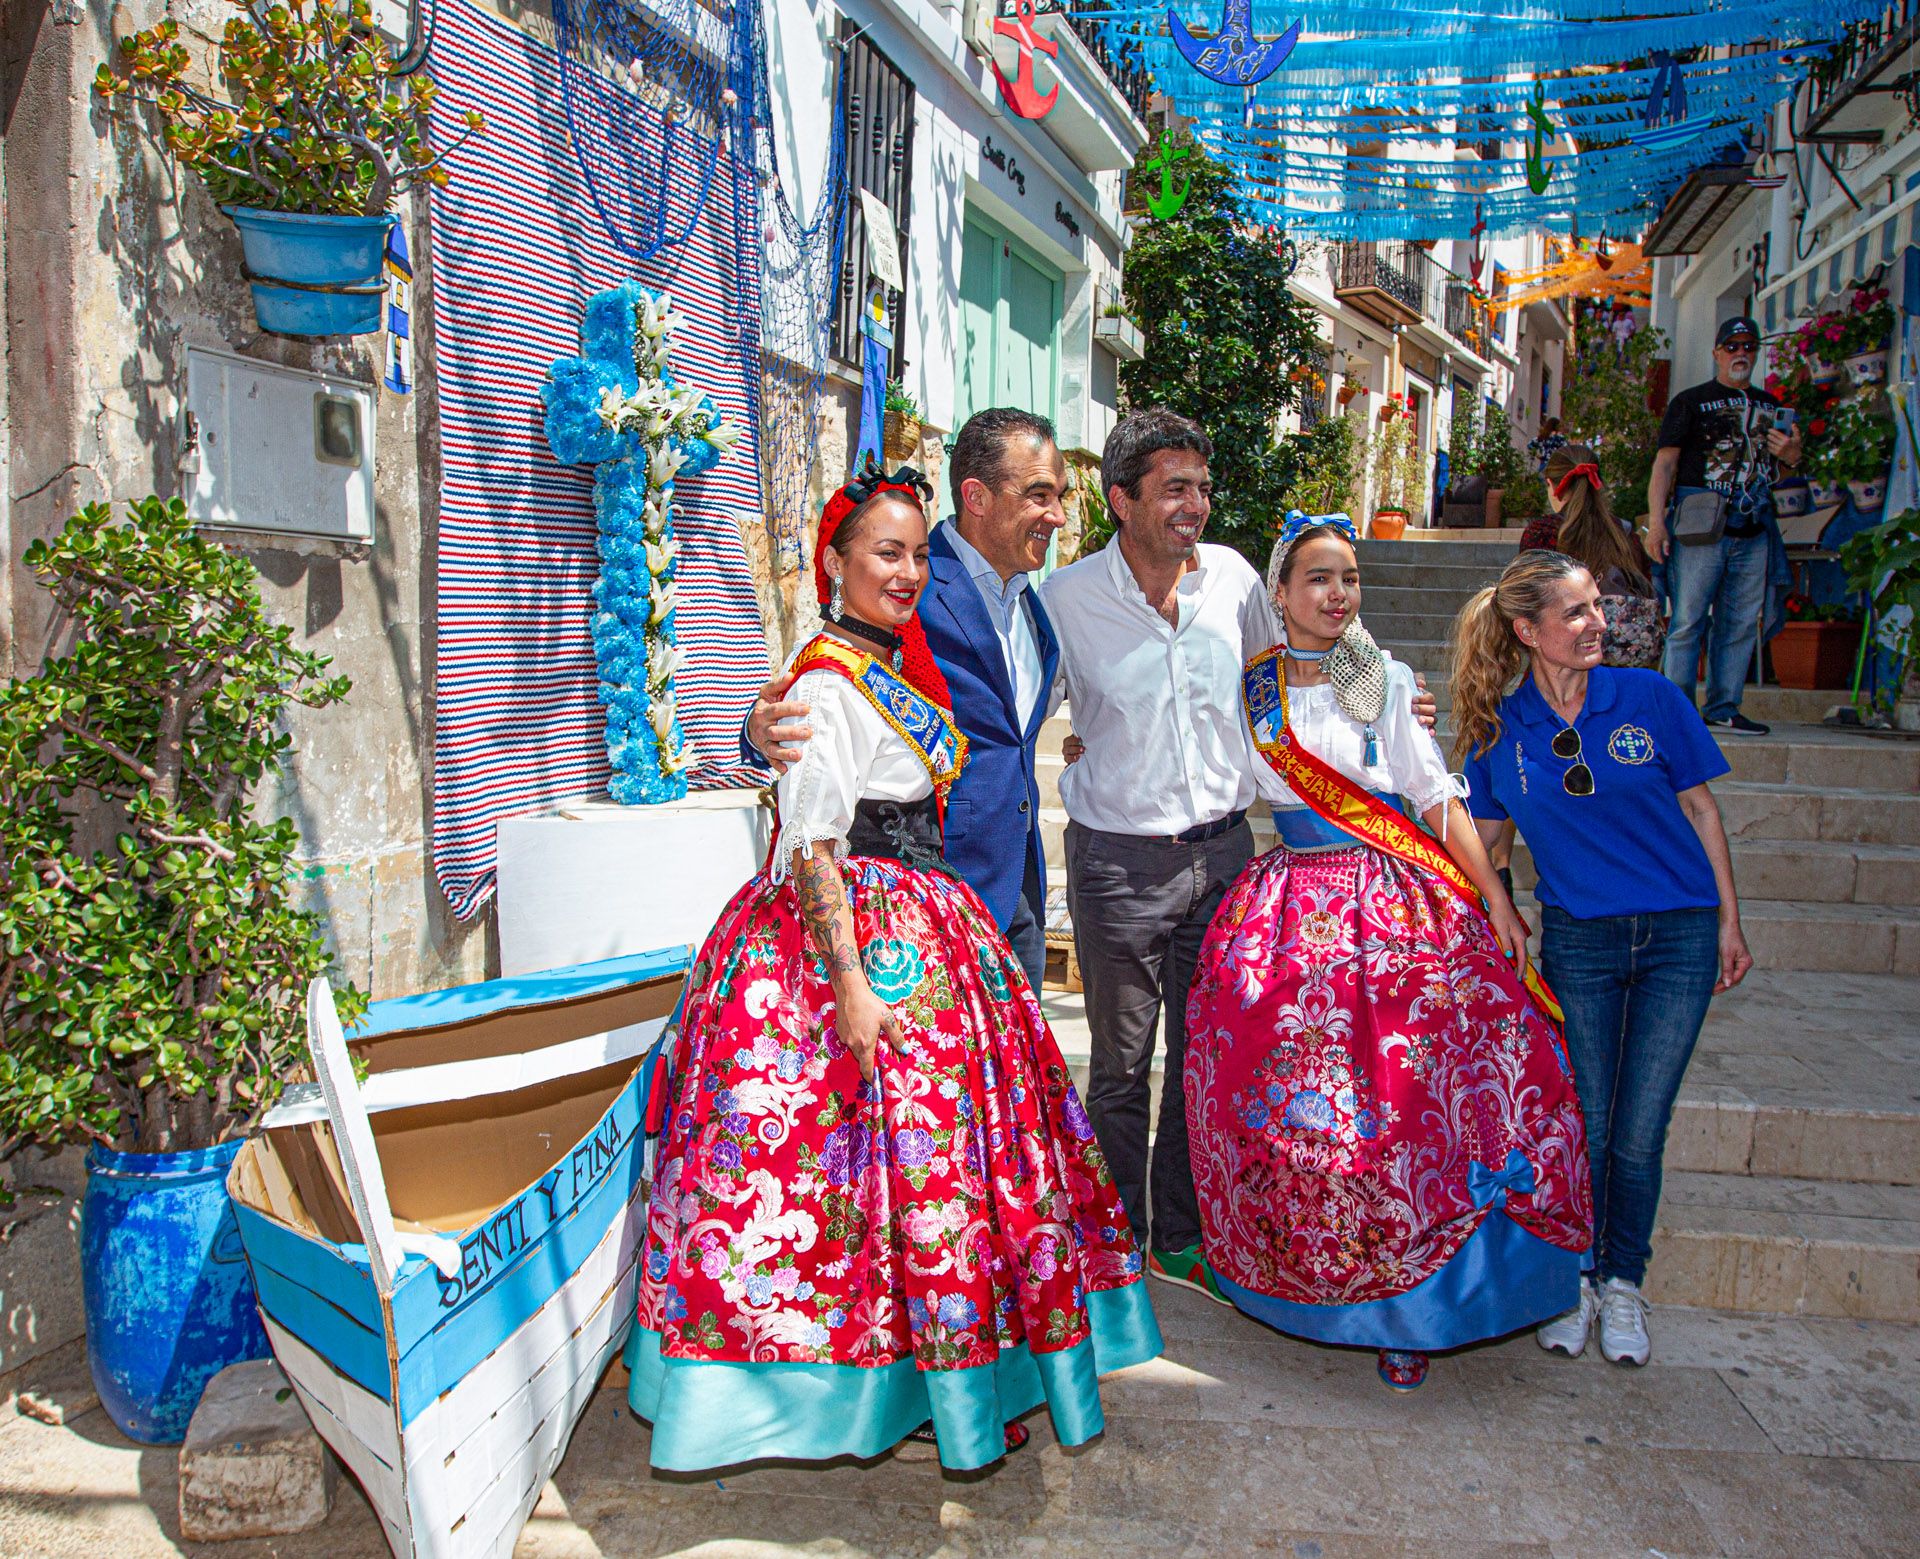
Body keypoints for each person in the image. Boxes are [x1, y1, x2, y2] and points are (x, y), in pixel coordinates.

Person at [628, 470, 1159, 1473]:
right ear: (834, 562)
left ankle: (939, 1379)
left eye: (918, 552)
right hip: (858, 942)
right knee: (880, 1174)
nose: (909, 570)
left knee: (936, 1177)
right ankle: (883, 1389)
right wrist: (854, 988)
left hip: (943, 913)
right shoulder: (828, 679)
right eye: (887, 552)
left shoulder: (924, 649)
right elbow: (813, 841)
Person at [1180, 513, 1592, 1393]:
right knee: (1307, 1118)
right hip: (1289, 917)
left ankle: (1417, 1309)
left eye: (1351, 578)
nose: (1338, 595)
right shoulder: (1251, 689)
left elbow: (1434, 795)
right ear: (1281, 594)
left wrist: (1492, 895)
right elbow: (1207, 772)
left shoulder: (1388, 678)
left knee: (1412, 1110)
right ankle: (1314, 1280)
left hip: (1395, 910)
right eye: (1319, 579)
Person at [1043, 409, 1440, 1301]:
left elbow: (1306, 653)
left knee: (1201, 1059)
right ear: (1121, 499)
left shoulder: (1229, 578)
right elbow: (1018, 708)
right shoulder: (1065, 601)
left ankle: (1180, 1237)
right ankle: (1114, 1241)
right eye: (1175, 487)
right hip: (1118, 864)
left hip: (1225, 855)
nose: (1196, 505)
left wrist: (1389, 697)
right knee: (1118, 1064)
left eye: (1204, 488)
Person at [1453, 550, 1752, 1368]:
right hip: (1580, 939)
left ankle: (1624, 1281)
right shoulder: (1501, 727)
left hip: (1679, 936)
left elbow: (1702, 809)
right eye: (1578, 611)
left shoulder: (1649, 696)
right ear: (1528, 630)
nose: (1599, 624)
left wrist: (1729, 920)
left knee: (1639, 1128)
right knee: (1581, 1119)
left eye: (1598, 608)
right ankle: (1574, 1278)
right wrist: (1502, 902)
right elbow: (1486, 842)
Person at [746, 410, 1068, 990]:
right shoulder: (901, 586)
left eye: (1060, 495)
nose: (1058, 515)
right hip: (905, 912)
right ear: (976, 496)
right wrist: (757, 730)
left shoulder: (1035, 604)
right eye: (1039, 494)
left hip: (1010, 887)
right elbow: (821, 682)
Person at [1646, 316, 1804, 736]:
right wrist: (1656, 523)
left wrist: (1791, 453)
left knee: (1738, 624)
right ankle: (1679, 711)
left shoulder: (1771, 407)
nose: (1741, 353)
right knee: (1687, 619)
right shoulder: (1691, 401)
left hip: (1753, 528)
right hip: (1700, 526)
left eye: (1748, 346)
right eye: (1732, 346)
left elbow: (1784, 475)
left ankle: (1724, 706)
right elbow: (1665, 464)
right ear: (1717, 352)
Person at [1519, 444, 1663, 671]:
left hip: (1561, 670)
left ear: (1552, 485)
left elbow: (1528, 600)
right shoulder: (1625, 534)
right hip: (1625, 663)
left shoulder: (1543, 533)